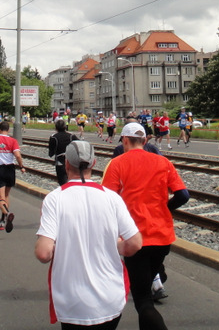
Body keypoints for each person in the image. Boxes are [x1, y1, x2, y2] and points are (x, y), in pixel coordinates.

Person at [36, 141, 142, 329]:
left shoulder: (55, 198)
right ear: (93, 163)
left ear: (66, 164)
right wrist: (117, 245)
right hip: (110, 298)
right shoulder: (112, 198)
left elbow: (43, 254)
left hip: (71, 302)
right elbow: (134, 243)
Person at [102, 122, 189, 330]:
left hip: (135, 238)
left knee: (143, 301)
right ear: (145, 140)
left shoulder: (117, 163)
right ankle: (159, 274)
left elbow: (107, 200)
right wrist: (166, 209)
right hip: (162, 236)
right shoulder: (163, 162)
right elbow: (183, 195)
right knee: (149, 281)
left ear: (124, 140)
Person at [0, 121, 25, 232]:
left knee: (0, 198)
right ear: (8, 129)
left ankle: (6, 214)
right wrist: (21, 166)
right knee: (6, 195)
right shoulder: (13, 141)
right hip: (10, 170)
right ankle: (3, 219)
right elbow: (17, 155)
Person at [48, 119, 76, 186]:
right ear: (65, 127)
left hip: (60, 161)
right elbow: (79, 144)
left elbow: (51, 152)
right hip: (71, 161)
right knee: (72, 180)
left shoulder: (53, 137)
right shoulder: (71, 136)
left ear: (56, 128)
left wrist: (51, 153)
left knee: (62, 181)